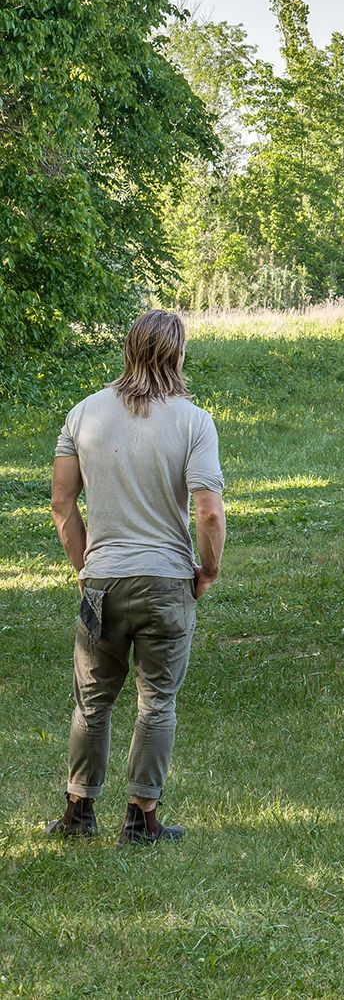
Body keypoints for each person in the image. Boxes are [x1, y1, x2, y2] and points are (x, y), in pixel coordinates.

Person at [44, 310, 226, 845]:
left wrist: (86, 568)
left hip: (102, 581)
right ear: (178, 354)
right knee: (157, 701)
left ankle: (78, 813)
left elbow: (61, 502)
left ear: (129, 351)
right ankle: (141, 820)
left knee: (92, 701)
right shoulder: (194, 422)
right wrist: (208, 570)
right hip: (168, 582)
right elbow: (210, 513)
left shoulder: (82, 415)